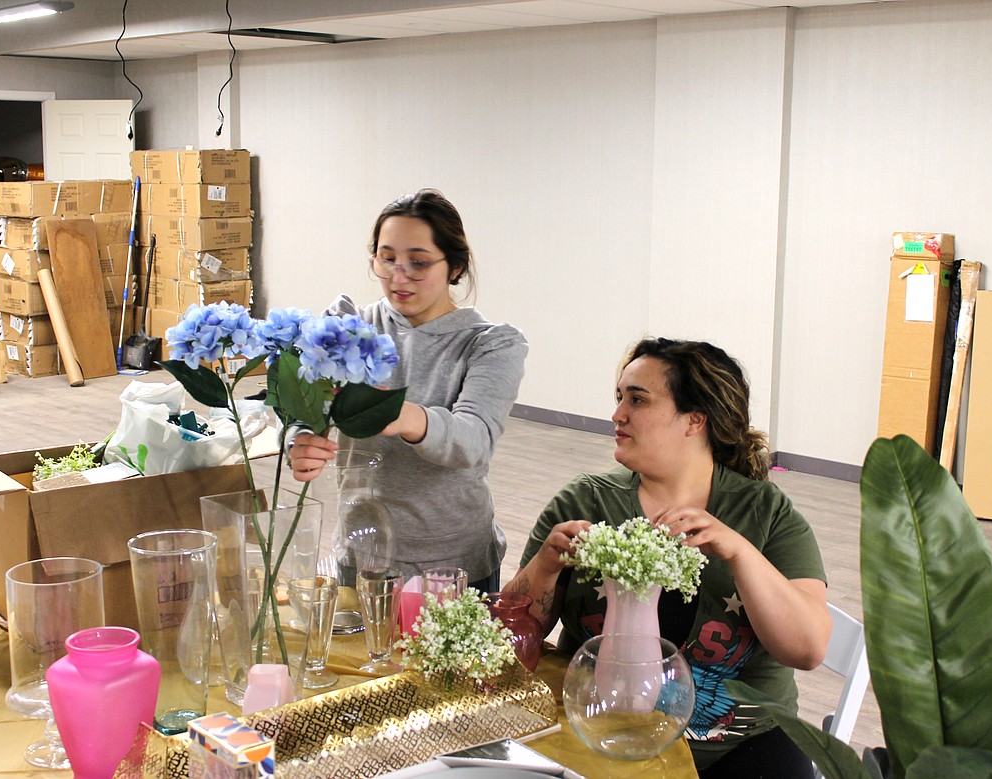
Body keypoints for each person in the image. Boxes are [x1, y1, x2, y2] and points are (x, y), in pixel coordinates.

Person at [505, 338, 829, 778]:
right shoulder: (584, 502)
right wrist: (544, 565)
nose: (618, 414)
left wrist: (738, 551)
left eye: (637, 400)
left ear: (695, 419)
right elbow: (511, 639)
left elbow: (808, 649)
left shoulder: (766, 514)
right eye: (619, 398)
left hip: (739, 745)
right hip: (599, 730)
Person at [289, 189, 528, 594]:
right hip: (361, 550)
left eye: (418, 263)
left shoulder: (490, 343)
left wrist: (399, 413)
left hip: (454, 562)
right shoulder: (347, 325)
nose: (399, 276)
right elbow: (302, 405)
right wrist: (297, 437)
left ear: (454, 267)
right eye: (387, 259)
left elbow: (473, 441)